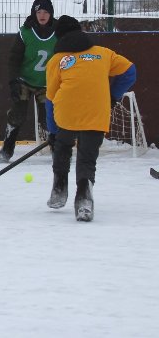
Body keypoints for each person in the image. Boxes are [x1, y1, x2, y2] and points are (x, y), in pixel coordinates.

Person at [45, 16, 136, 222]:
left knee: (62, 147)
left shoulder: (57, 60)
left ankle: (59, 187)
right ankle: (84, 199)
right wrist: (114, 95)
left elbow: (50, 99)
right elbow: (130, 72)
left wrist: (53, 131)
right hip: (96, 113)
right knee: (87, 158)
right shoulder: (103, 54)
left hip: (66, 114)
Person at [0, 0, 57, 163]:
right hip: (25, 82)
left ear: (51, 14)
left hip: (46, 84)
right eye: (39, 12)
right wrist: (13, 81)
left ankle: (58, 150)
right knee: (17, 115)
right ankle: (6, 150)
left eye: (46, 12)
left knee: (49, 118)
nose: (42, 15)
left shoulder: (59, 33)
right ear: (34, 13)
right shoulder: (25, 33)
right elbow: (14, 59)